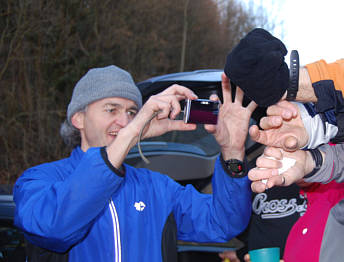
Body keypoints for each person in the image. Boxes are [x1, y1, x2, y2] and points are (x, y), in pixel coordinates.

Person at [13, 65, 257, 261]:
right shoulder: (38, 180)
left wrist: (232, 151)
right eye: (111, 110)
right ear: (78, 118)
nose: (124, 121)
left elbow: (224, 223)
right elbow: (54, 228)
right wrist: (130, 135)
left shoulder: (156, 186)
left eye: (132, 112)